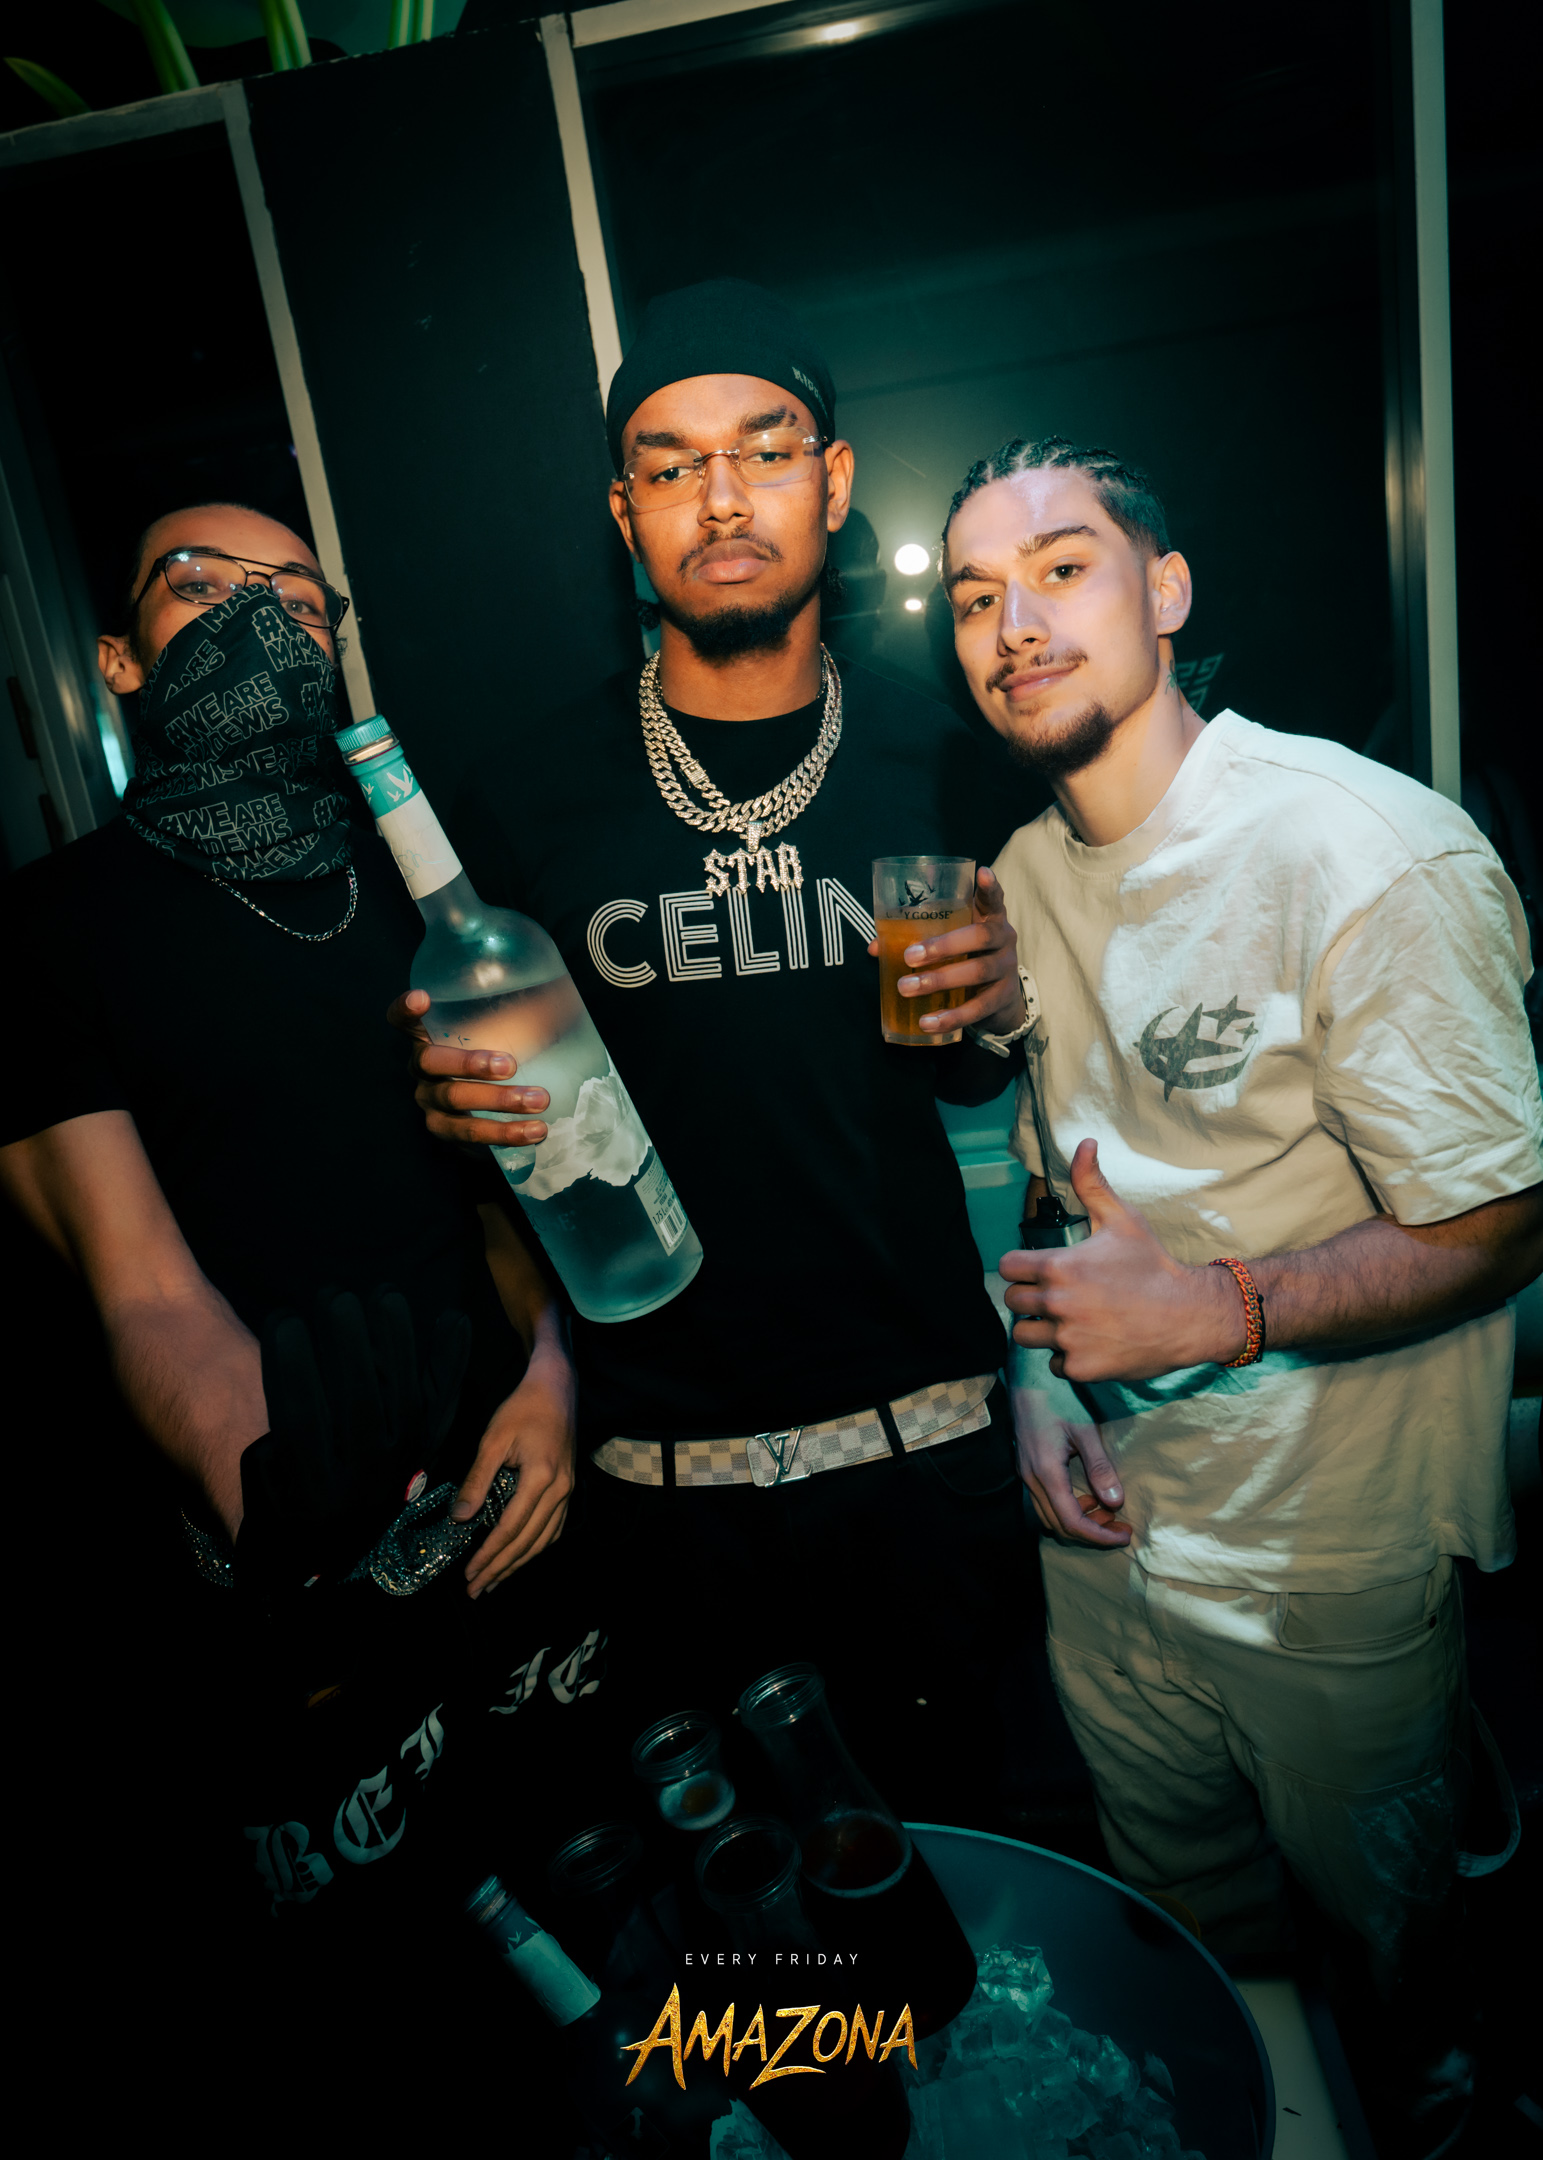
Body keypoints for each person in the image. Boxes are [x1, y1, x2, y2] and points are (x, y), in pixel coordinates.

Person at [941, 432, 1543, 2155]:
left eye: (1061, 568)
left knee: (1405, 1993)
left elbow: (1506, 1218)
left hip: (1330, 1563)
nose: (1013, 625)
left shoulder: (1359, 849)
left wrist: (1220, 1311)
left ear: (1167, 590)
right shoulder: (1021, 877)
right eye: (974, 598)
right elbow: (1061, 1172)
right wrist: (1039, 1380)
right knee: (1195, 1970)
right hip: (1112, 1554)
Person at [389, 279, 1046, 1826]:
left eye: (764, 448)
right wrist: (468, 1139)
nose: (723, 496)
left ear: (834, 480)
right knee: (750, 1936)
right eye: (672, 465)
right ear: (627, 515)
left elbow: (979, 1077)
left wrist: (1009, 1001)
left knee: (982, 1901)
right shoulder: (527, 798)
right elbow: (509, 1173)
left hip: (926, 1452)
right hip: (663, 1497)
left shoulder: (946, 760)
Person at [0, 504, 610, 2116]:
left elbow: (520, 1198)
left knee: (604, 1967)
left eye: (297, 596)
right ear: (119, 660)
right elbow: (141, 1291)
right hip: (284, 1586)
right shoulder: (45, 928)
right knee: (399, 2036)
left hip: (511, 1519)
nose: (261, 620)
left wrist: (553, 1380)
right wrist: (286, 1510)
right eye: (201, 587)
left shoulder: (427, 902)